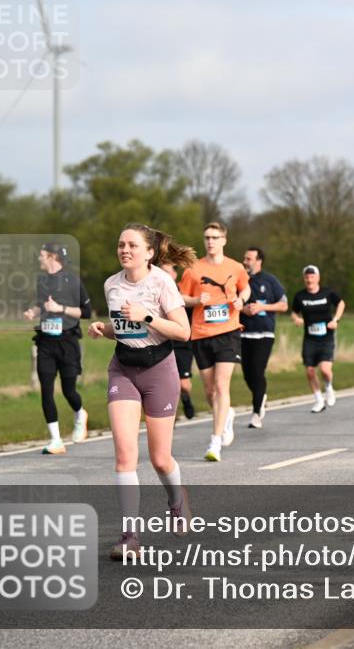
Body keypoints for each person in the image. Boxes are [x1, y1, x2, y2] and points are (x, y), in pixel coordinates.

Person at [87, 223, 195, 560]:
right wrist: (103, 329)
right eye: (121, 244)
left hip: (159, 370)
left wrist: (147, 316)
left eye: (132, 245)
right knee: (125, 455)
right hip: (123, 369)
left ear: (149, 252)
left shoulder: (162, 282)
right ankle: (129, 537)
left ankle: (177, 500)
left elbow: (184, 332)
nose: (125, 250)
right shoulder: (111, 284)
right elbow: (123, 328)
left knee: (160, 459)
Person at [178, 222, 251, 462]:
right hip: (201, 333)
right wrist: (196, 300)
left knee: (221, 385)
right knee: (210, 392)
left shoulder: (235, 267)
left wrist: (241, 300)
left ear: (224, 240)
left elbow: (246, 288)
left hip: (228, 331)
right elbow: (181, 297)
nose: (210, 241)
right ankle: (226, 415)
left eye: (215, 237)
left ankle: (215, 442)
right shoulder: (193, 269)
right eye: (207, 237)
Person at [22, 242, 92, 455]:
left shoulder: (73, 280)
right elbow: (41, 304)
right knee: (46, 390)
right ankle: (56, 440)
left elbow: (86, 312)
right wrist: (33, 312)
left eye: (42, 255)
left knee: (69, 391)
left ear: (52, 257)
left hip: (68, 342)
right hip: (45, 342)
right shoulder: (42, 280)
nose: (39, 258)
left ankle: (80, 414)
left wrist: (59, 308)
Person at [240, 246, 288, 428]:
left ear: (259, 261)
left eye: (249, 259)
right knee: (247, 375)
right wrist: (243, 309)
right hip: (244, 333)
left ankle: (256, 413)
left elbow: (283, 305)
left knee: (257, 371)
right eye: (244, 258)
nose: (245, 262)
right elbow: (231, 302)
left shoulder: (270, 280)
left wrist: (262, 307)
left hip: (264, 334)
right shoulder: (240, 279)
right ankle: (261, 395)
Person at [291, 266, 345, 413]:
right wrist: (296, 319)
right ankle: (319, 400)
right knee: (310, 371)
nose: (309, 280)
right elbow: (294, 312)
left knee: (325, 370)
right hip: (310, 339)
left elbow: (341, 303)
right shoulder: (300, 296)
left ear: (318, 278)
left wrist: (336, 320)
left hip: (326, 337)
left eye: (312, 277)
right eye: (307, 277)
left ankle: (329, 387)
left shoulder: (327, 292)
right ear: (304, 279)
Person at [160, 261, 196, 419]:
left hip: (182, 343)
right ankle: (169, 414)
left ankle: (186, 400)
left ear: (174, 275)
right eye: (162, 271)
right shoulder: (154, 291)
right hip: (162, 342)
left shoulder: (183, 292)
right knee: (164, 383)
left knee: (184, 384)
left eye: (168, 272)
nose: (165, 275)